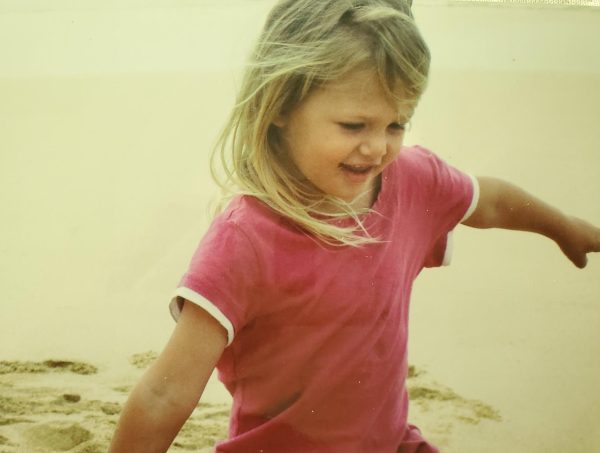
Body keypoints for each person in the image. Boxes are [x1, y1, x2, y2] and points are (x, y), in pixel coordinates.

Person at [108, 0, 600, 451]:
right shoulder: (245, 240)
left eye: (396, 124)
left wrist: (565, 227)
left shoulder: (411, 180)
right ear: (281, 105)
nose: (378, 148)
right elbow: (164, 395)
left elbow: (487, 201)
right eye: (353, 126)